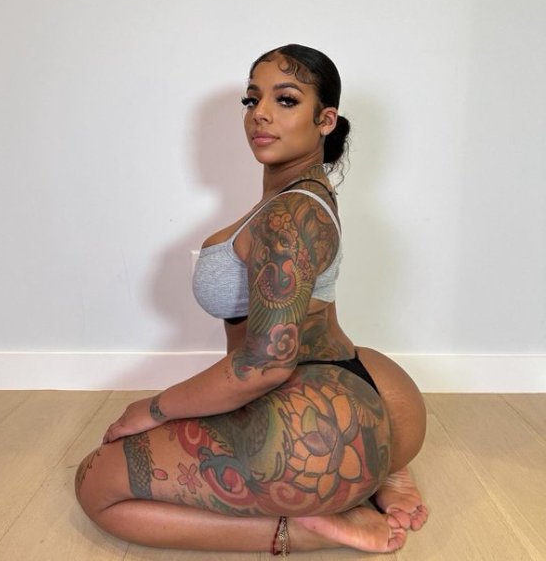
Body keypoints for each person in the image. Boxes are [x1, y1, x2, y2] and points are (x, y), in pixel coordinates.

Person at [75, 44, 428, 556]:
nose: (260, 113)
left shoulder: (288, 216)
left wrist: (153, 407)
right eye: (251, 99)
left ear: (325, 119)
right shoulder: (308, 195)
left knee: (96, 484)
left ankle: (309, 527)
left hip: (317, 431)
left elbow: (263, 365)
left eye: (286, 100)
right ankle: (384, 474)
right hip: (372, 394)